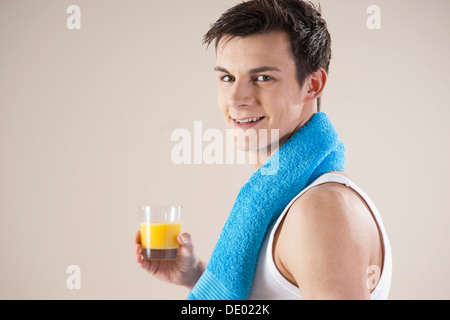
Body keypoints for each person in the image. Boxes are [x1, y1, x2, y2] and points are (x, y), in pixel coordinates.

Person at [134, 0, 392, 300]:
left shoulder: (321, 211)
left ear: (312, 85)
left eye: (263, 78)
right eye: (227, 77)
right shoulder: (291, 202)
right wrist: (199, 278)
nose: (237, 98)